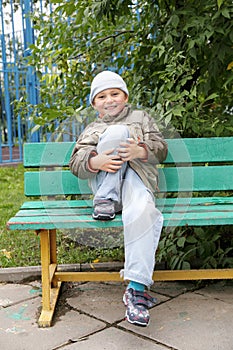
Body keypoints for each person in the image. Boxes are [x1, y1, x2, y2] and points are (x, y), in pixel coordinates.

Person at [69, 70, 168, 326]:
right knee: (115, 134)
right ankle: (107, 197)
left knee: (144, 210)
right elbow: (76, 162)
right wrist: (95, 160)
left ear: (125, 96)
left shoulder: (141, 118)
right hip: (104, 182)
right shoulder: (93, 128)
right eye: (102, 96)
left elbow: (161, 149)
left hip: (136, 180)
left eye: (115, 93)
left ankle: (136, 290)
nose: (109, 100)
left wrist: (141, 150)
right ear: (94, 104)